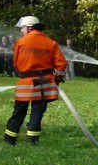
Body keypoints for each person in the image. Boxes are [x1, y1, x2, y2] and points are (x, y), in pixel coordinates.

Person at [4, 15, 68, 145]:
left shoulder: (20, 42)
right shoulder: (51, 43)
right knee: (38, 111)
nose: (21, 31)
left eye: (22, 28)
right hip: (45, 84)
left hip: (25, 83)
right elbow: (61, 65)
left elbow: (16, 63)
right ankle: (32, 140)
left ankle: (10, 139)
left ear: (29, 28)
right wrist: (57, 79)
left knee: (19, 111)